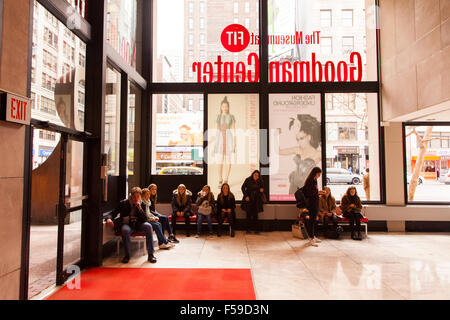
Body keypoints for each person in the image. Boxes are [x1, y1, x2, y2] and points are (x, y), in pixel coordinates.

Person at [105, 187, 157, 263]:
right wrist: (108, 219)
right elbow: (113, 213)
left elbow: (144, 219)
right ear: (131, 196)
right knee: (125, 230)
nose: (136, 198)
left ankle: (151, 254)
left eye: (138, 196)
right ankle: (127, 255)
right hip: (127, 224)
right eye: (134, 196)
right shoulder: (123, 203)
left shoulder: (142, 204)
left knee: (148, 226)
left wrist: (140, 209)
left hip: (139, 224)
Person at [278, 114, 321, 194]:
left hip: (307, 186)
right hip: (294, 185)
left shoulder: (318, 154)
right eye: (297, 140)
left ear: (309, 137)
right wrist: (276, 135)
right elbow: (279, 151)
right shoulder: (297, 149)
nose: (299, 142)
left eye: (301, 138)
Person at [214, 96, 236, 189]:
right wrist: (215, 142)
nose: (225, 108)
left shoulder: (231, 117)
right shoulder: (218, 117)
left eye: (226, 106)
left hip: (229, 138)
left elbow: (234, 130)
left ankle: (226, 179)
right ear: (221, 107)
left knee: (228, 160)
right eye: (223, 106)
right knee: (220, 160)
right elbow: (216, 130)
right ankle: (220, 179)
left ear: (228, 107)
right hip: (220, 138)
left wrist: (235, 142)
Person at [302, 167, 326, 246]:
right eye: (318, 174)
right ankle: (310, 238)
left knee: (314, 220)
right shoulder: (310, 181)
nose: (319, 175)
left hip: (315, 202)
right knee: (311, 220)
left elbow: (314, 191)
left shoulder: (314, 180)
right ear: (315, 173)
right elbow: (309, 193)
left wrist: (318, 192)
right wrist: (318, 192)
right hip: (311, 203)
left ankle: (313, 236)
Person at [241, 170, 265, 234]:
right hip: (249, 200)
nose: (256, 176)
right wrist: (246, 196)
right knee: (248, 215)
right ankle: (248, 230)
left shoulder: (260, 181)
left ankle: (256, 230)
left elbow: (262, 188)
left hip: (256, 201)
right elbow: (243, 187)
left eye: (258, 175)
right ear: (253, 174)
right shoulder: (248, 180)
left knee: (255, 216)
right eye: (255, 175)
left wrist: (261, 190)